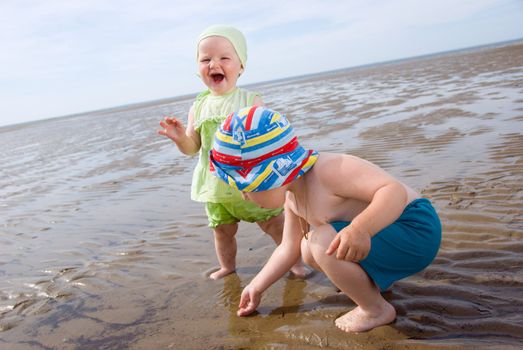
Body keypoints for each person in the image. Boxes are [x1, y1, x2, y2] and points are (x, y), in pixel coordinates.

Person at [209, 106, 442, 332]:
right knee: (307, 247)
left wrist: (361, 228)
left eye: (246, 187)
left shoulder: (329, 170)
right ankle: (374, 286)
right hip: (388, 237)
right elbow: (288, 249)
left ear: (271, 174)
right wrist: (256, 286)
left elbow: (393, 191)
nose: (243, 195)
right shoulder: (293, 198)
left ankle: (376, 309)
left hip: (416, 229)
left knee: (321, 241)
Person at [157, 25, 309, 280]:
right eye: (205, 59)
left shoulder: (251, 101)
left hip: (251, 184)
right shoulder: (199, 105)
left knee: (276, 225)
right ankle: (228, 267)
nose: (214, 63)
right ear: (198, 68)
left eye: (224, 57)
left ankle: (295, 263)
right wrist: (180, 139)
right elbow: (193, 148)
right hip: (216, 188)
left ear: (241, 66)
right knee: (222, 231)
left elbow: (268, 142)